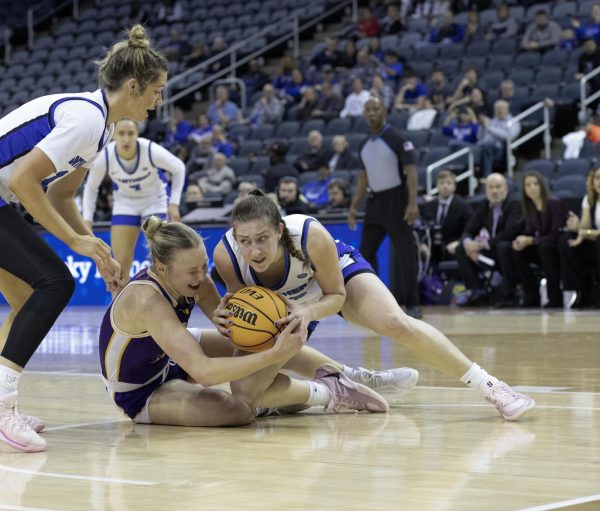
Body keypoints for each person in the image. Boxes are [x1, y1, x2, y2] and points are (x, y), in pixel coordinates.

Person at [213, 190, 535, 423]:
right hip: (284, 304)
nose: (254, 250)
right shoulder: (226, 256)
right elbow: (248, 321)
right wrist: (227, 319)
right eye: (245, 241)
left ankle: (492, 386)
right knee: (246, 394)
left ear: (280, 230)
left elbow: (336, 296)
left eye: (263, 238)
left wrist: (308, 311)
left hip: (329, 280)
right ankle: (346, 382)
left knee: (395, 323)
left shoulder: (311, 235)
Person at [0, 24, 167, 452]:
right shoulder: (87, 119)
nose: (158, 101)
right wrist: (76, 244)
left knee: (25, 299)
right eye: (156, 91)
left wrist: (97, 250)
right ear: (133, 86)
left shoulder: (103, 128)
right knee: (55, 282)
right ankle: (2, 405)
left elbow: (62, 194)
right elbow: (23, 181)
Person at [100, 216, 415, 426]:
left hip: (168, 357)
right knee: (236, 409)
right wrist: (274, 356)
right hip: (139, 390)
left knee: (262, 336)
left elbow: (237, 331)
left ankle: (352, 378)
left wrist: (257, 332)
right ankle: (328, 395)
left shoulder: (195, 280)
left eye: (204, 266)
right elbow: (206, 372)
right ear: (161, 268)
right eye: (192, 271)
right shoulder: (147, 300)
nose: (202, 277)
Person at [82, 118, 185, 281]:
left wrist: (174, 203)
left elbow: (179, 167)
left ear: (137, 134)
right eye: (121, 133)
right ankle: (120, 303)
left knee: (160, 258)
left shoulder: (149, 149)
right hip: (125, 203)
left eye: (131, 133)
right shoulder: (105, 156)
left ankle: (164, 298)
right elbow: (91, 187)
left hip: (155, 201)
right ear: (114, 135)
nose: (126, 138)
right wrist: (87, 218)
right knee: (120, 263)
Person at [348, 97, 421, 318]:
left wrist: (412, 203)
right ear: (364, 114)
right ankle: (376, 302)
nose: (372, 113)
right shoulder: (364, 144)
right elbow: (363, 178)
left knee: (406, 253)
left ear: (384, 111)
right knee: (366, 252)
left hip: (397, 201)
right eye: (368, 110)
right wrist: (353, 207)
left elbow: (412, 171)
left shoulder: (397, 138)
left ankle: (413, 304)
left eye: (376, 109)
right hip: (375, 203)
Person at [455, 173, 523, 307]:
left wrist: (480, 246)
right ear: (486, 190)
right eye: (491, 187)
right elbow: (469, 229)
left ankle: (509, 294)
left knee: (503, 246)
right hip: (491, 250)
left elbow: (509, 233)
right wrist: (469, 244)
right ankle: (477, 291)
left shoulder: (514, 203)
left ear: (506, 188)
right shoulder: (484, 205)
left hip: (510, 249)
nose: (494, 191)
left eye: (498, 187)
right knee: (461, 248)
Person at [500, 171, 566, 308]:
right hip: (540, 247)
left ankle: (555, 298)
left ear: (542, 185)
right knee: (517, 251)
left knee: (545, 248)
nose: (532, 188)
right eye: (528, 185)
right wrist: (520, 240)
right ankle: (531, 295)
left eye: (535, 184)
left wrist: (531, 240)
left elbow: (555, 235)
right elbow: (529, 231)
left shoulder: (554, 203)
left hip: (555, 248)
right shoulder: (528, 206)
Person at [559, 165, 600, 308]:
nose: (599, 182)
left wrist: (585, 233)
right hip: (595, 243)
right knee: (566, 240)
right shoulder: (589, 199)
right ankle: (579, 291)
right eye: (597, 178)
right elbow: (585, 227)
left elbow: (588, 232)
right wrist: (577, 227)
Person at [419, 170, 472, 264]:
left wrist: (459, 242)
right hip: (432, 247)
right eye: (442, 183)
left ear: (454, 186)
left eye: (448, 183)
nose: (445, 186)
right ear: (437, 186)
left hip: (453, 245)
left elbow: (469, 229)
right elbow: (422, 227)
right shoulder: (429, 205)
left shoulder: (463, 206)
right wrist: (422, 244)